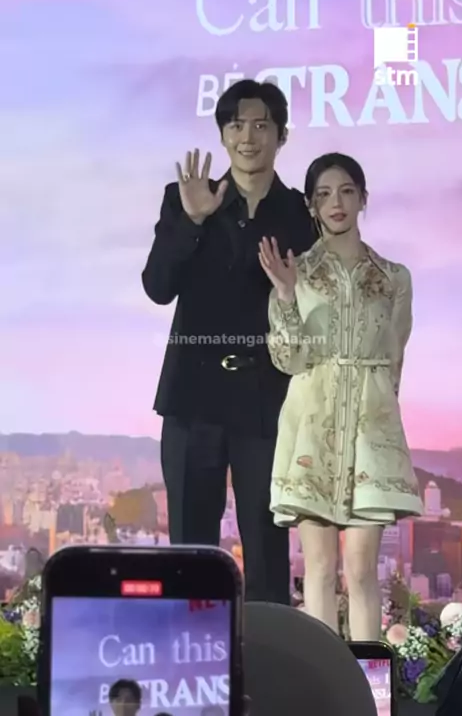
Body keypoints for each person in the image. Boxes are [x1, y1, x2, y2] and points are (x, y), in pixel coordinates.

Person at [141, 79, 315, 604]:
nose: (248, 137)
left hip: (267, 401)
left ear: (281, 136)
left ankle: (267, 651)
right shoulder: (185, 199)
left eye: (261, 125)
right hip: (192, 399)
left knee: (267, 551)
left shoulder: (301, 214)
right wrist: (193, 220)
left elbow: (315, 313)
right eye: (236, 125)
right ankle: (189, 647)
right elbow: (157, 286)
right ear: (222, 135)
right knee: (190, 550)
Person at [258, 152, 423, 639]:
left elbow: (394, 357)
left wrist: (379, 416)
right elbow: (287, 359)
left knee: (362, 570)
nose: (336, 203)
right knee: (319, 568)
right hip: (312, 428)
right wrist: (286, 296)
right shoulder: (297, 272)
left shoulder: (393, 277)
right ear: (311, 205)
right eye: (324, 194)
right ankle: (325, 682)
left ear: (363, 198)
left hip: (371, 431)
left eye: (347, 191)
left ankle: (370, 685)